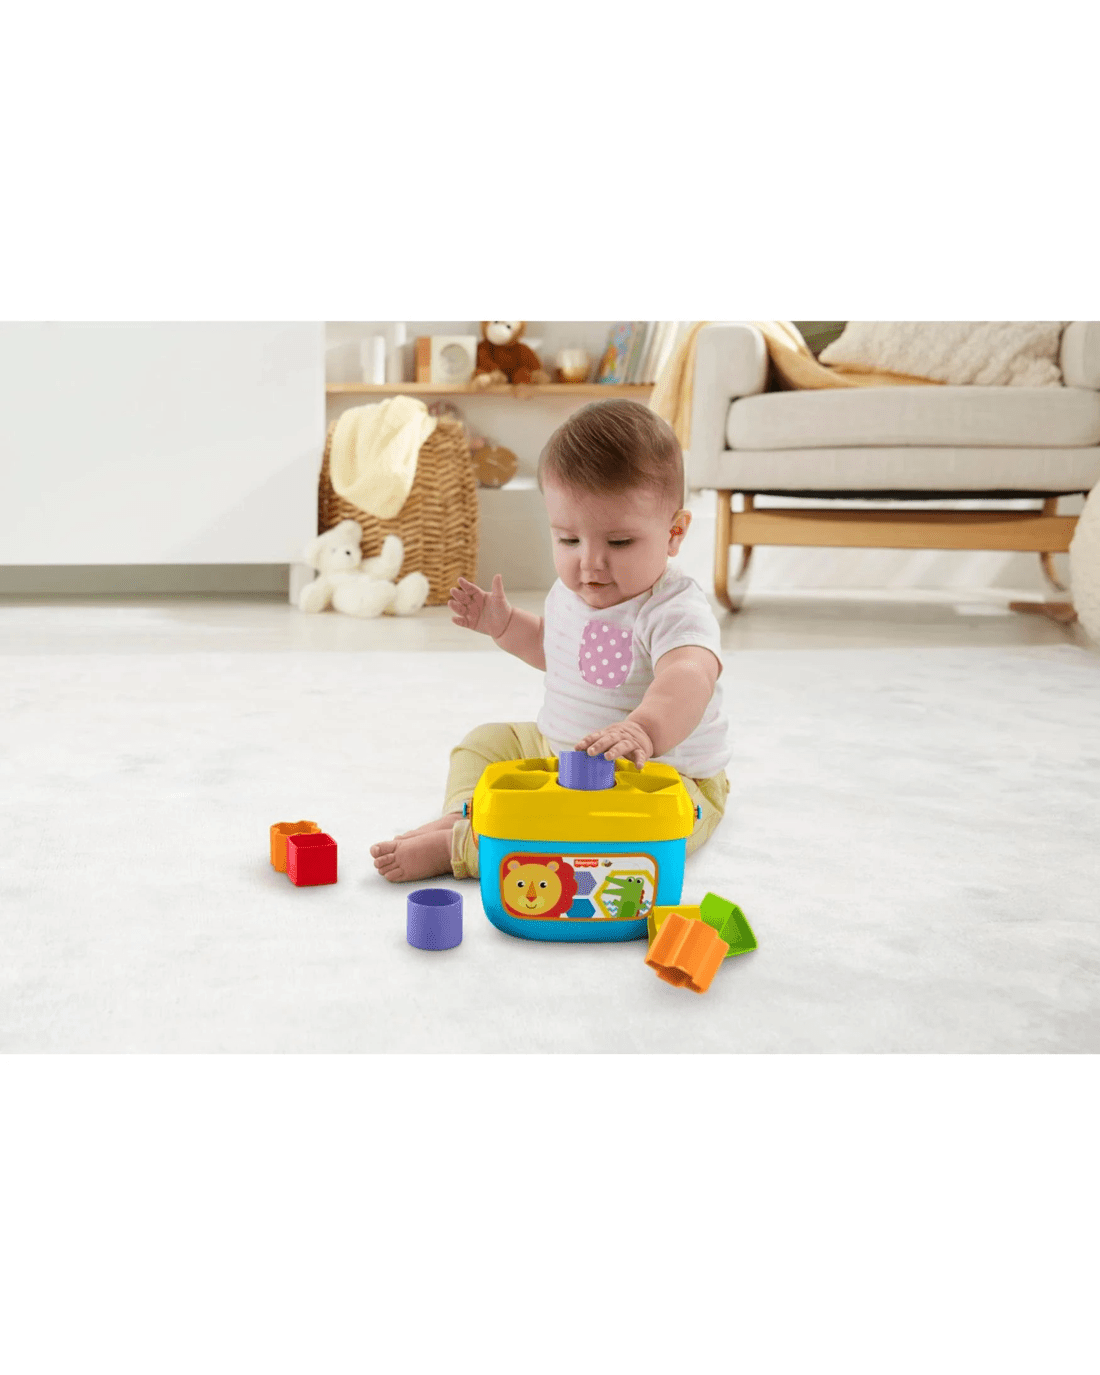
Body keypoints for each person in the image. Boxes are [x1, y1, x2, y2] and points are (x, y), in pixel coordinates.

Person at [370, 399, 730, 883]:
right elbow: (555, 650)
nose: (590, 563)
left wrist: (643, 730)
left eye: (619, 543)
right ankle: (467, 812)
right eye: (569, 540)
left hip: (661, 777)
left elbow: (689, 676)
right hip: (558, 752)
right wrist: (505, 626)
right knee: (483, 744)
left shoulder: (672, 608)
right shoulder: (570, 593)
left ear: (674, 533)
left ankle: (469, 848)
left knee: (615, 837)